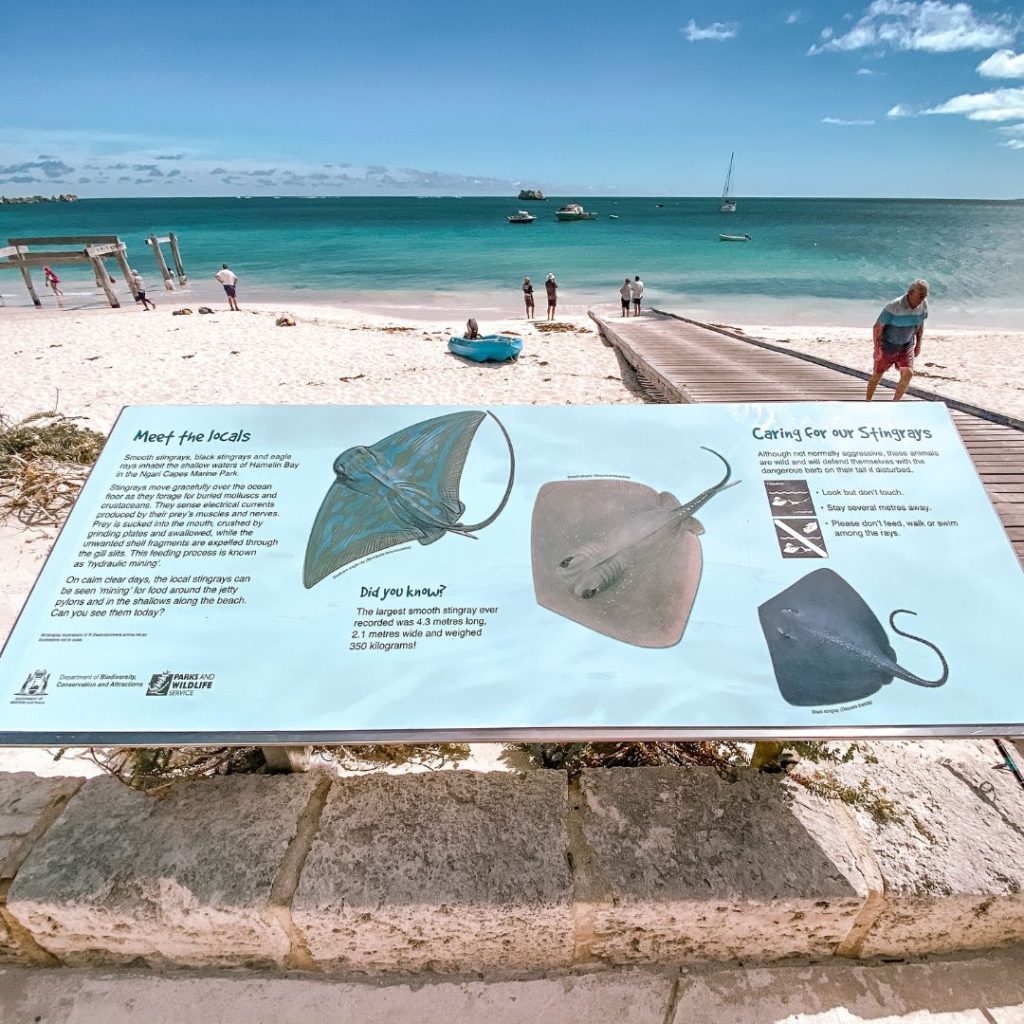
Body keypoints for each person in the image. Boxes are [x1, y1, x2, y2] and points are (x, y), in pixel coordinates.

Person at [866, 279, 929, 401]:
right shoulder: (894, 306)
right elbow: (877, 328)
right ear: (910, 292)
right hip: (888, 345)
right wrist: (877, 348)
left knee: (908, 373)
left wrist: (918, 344)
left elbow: (920, 324)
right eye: (920, 296)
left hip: (907, 344)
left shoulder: (924, 305)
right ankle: (867, 401)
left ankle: (895, 402)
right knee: (877, 375)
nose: (922, 299)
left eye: (925, 296)